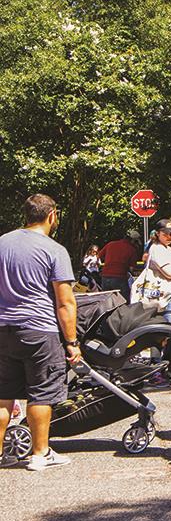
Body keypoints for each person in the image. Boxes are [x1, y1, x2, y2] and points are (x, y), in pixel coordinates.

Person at [0, 194, 82, 470]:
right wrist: (72, 341)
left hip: (3, 328)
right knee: (41, 392)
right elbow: (65, 302)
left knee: (3, 394)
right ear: (51, 216)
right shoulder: (54, 250)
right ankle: (40, 453)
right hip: (39, 329)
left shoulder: (2, 243)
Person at [141, 219, 171, 378]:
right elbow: (168, 272)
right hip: (167, 295)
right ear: (157, 233)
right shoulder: (155, 248)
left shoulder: (167, 249)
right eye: (166, 234)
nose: (170, 237)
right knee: (164, 332)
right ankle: (157, 369)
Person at [98, 229, 141, 299]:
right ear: (133, 240)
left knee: (106, 301)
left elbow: (99, 256)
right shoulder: (132, 249)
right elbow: (131, 268)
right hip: (119, 277)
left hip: (105, 276)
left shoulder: (110, 244)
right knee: (124, 300)